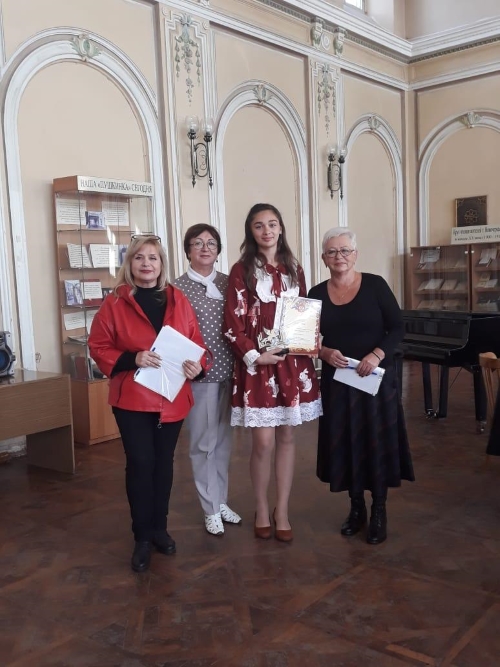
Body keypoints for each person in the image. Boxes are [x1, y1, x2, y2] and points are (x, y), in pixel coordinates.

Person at [88, 234, 209, 573]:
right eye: (139, 257)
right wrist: (133, 358)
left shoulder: (178, 298)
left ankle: (159, 529)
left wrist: (198, 367)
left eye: (153, 258)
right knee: (141, 463)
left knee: (163, 464)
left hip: (172, 397)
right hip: (132, 399)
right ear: (130, 263)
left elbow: (196, 343)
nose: (146, 263)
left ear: (161, 263)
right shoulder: (114, 303)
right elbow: (98, 345)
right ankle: (141, 536)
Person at [308, 227, 414, 545]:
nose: (339, 256)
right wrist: (324, 353)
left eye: (345, 250)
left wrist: (377, 354)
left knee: (376, 442)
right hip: (338, 381)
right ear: (324, 258)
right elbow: (304, 339)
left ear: (355, 255)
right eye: (332, 252)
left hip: (375, 379)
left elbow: (398, 327)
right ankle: (356, 509)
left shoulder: (375, 285)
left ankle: (379, 509)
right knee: (346, 442)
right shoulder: (315, 293)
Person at [223, 203, 322, 543]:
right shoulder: (241, 270)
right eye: (259, 225)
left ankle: (282, 510)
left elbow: (303, 313)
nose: (266, 230)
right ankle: (262, 507)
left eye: (272, 224)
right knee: (263, 442)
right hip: (259, 364)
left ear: (280, 228)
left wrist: (311, 338)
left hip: (291, 362)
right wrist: (255, 355)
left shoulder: (295, 268)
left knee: (288, 437)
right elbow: (232, 323)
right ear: (250, 231)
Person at [174, 224, 241, 536]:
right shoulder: (176, 289)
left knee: (224, 443)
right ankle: (210, 508)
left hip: (232, 373)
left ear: (218, 250)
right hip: (200, 377)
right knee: (203, 444)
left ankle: (220, 499)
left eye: (211, 243)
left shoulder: (229, 283)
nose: (205, 248)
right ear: (188, 250)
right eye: (197, 243)